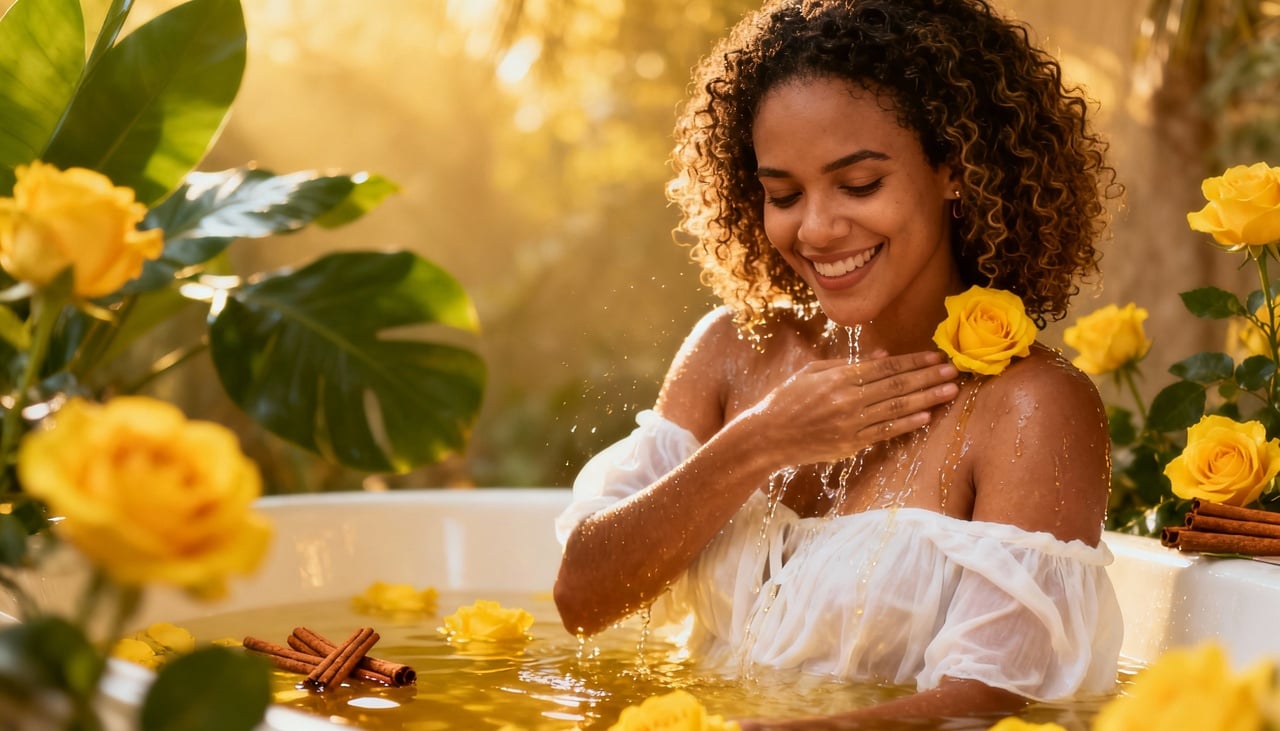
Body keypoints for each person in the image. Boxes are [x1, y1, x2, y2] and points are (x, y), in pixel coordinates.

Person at [553, 0, 1125, 727]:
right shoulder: (735, 348)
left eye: (859, 185)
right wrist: (760, 442)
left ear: (956, 167)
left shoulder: (1031, 406)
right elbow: (581, 598)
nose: (816, 229)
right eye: (784, 194)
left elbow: (997, 699)